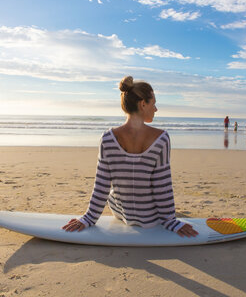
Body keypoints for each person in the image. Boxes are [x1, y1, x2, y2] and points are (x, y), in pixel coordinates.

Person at [63, 76, 198, 238]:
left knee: (113, 191)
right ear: (143, 104)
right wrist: (171, 221)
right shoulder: (161, 138)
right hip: (150, 219)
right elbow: (162, 186)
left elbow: (102, 184)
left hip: (121, 213)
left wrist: (89, 218)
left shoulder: (107, 138)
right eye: (153, 104)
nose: (156, 109)